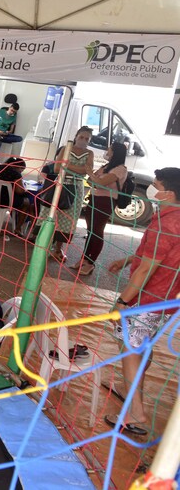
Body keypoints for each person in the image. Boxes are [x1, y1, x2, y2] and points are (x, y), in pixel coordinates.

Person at [105, 167, 180, 436]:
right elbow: (158, 256)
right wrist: (127, 259)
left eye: (156, 185)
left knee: (130, 350)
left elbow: (147, 269)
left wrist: (123, 302)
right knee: (140, 347)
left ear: (168, 194)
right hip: (166, 301)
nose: (151, 189)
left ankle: (136, 414)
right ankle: (129, 389)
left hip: (146, 300)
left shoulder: (166, 223)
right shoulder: (173, 218)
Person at [39, 127, 94, 263]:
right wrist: (77, 169)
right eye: (81, 137)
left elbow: (87, 171)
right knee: (50, 213)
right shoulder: (65, 148)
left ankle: (58, 249)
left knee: (69, 218)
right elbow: (57, 168)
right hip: (60, 185)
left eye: (87, 138)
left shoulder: (89, 153)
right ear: (76, 136)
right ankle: (43, 246)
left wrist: (67, 166)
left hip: (76, 187)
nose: (83, 140)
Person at [75, 142, 128, 275]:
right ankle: (84, 259)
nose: (107, 152)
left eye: (109, 150)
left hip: (106, 202)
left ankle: (90, 262)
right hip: (94, 199)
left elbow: (100, 182)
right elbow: (91, 182)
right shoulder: (106, 167)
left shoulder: (120, 169)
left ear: (115, 152)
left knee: (97, 231)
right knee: (90, 231)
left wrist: (91, 175)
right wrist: (95, 178)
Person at [0, 157, 37, 238]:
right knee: (26, 202)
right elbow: (20, 191)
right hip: (4, 200)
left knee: (0, 199)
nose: (21, 171)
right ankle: (18, 228)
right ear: (18, 166)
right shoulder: (15, 173)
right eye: (21, 169)